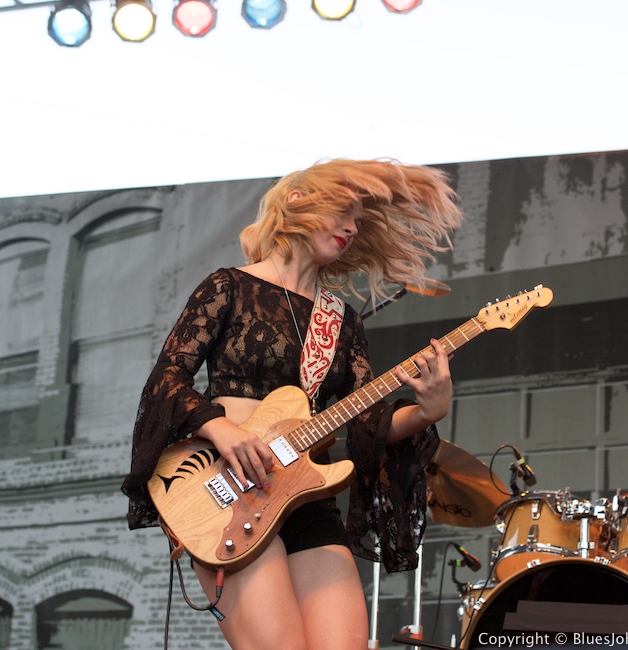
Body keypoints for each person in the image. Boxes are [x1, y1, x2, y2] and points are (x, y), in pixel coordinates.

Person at [121, 158, 464, 650]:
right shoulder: (229, 287)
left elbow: (368, 422)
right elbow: (166, 381)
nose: (352, 228)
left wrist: (430, 410)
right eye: (343, 213)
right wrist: (221, 428)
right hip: (226, 489)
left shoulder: (341, 320)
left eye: (358, 221)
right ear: (298, 200)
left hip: (303, 493)